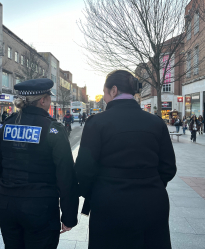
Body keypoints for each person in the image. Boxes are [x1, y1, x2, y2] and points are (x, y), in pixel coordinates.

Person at [75, 70, 176, 249]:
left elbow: (83, 170)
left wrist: (96, 192)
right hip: (152, 201)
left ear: (113, 91)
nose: (104, 98)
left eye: (105, 93)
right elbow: (168, 167)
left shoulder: (97, 123)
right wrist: (150, 183)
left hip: (109, 202)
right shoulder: (156, 122)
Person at [0, 78, 79, 249]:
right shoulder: (53, 129)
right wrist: (69, 216)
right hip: (41, 207)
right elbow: (66, 175)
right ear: (43, 100)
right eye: (49, 98)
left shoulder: (3, 126)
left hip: (8, 205)